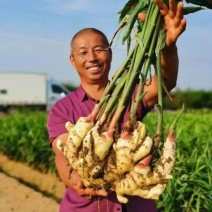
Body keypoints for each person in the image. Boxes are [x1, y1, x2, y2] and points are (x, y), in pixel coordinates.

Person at [47, 0, 186, 211]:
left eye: (99, 49)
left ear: (110, 53)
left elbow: (166, 81)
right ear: (72, 60)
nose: (92, 58)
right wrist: (75, 178)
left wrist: (168, 47)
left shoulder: (133, 94)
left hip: (136, 203)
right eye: (83, 53)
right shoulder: (62, 109)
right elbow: (64, 153)